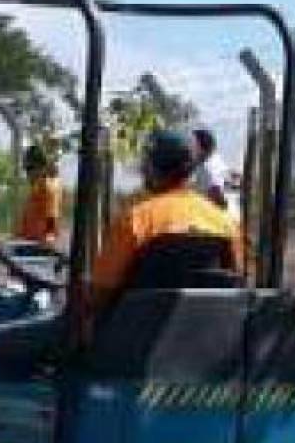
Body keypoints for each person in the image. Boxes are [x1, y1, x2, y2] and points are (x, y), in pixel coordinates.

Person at [90, 129, 245, 313]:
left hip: (136, 333)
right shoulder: (225, 223)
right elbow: (234, 282)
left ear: (150, 167)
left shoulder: (136, 220)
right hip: (205, 334)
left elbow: (99, 293)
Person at [14, 145, 63, 246]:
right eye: (26, 170)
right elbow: (25, 228)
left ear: (42, 168)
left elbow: (51, 224)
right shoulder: (35, 191)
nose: (28, 174)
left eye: (31, 169)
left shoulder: (49, 189)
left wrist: (46, 244)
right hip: (29, 246)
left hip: (40, 250)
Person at [191, 127, 231, 210]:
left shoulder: (208, 168)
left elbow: (217, 194)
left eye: (193, 145)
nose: (190, 148)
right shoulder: (212, 160)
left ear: (202, 147)